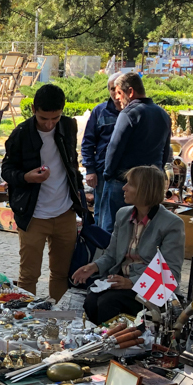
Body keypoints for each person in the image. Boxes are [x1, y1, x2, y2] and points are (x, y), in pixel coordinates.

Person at [0, 84, 87, 302]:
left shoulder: (68, 126)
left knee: (62, 273)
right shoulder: (21, 133)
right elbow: (6, 170)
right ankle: (25, 316)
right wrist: (26, 177)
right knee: (29, 275)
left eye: (55, 118)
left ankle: (57, 316)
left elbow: (72, 163)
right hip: (33, 214)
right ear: (33, 109)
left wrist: (79, 191)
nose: (49, 124)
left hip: (65, 212)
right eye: (43, 118)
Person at [73, 165, 184, 324]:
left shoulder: (171, 224)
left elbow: (171, 272)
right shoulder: (123, 215)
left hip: (152, 288)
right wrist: (94, 266)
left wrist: (132, 282)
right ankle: (101, 336)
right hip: (122, 281)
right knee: (91, 301)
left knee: (107, 303)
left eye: (130, 184)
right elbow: (111, 254)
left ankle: (114, 338)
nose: (124, 188)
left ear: (144, 189)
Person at [100, 72, 171, 233]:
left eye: (119, 93)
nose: (116, 97)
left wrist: (108, 174)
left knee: (112, 231)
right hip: (150, 185)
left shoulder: (129, 113)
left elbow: (114, 147)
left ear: (130, 92)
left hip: (123, 183)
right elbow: (165, 150)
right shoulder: (163, 114)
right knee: (142, 232)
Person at [81, 74, 121, 215]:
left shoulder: (134, 112)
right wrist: (90, 170)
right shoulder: (100, 111)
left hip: (126, 172)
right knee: (101, 212)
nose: (115, 93)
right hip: (102, 171)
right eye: (112, 89)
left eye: (119, 89)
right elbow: (88, 142)